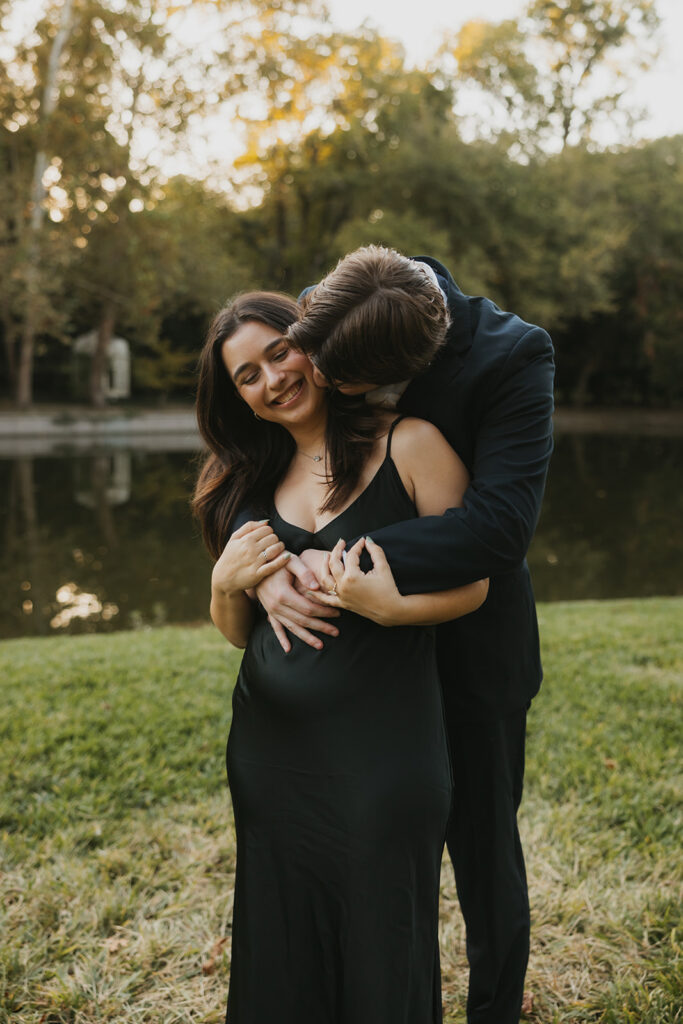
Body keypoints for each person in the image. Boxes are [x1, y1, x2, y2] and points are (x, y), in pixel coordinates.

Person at [252, 247, 555, 1024]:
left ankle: (493, 1010)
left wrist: (336, 556)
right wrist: (265, 557)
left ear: (402, 369)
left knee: (485, 855)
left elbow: (497, 530)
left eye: (336, 376)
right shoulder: (332, 302)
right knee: (371, 847)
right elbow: (272, 447)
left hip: (471, 645)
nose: (311, 377)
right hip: (365, 668)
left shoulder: (513, 356)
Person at [193, 291, 488, 1023]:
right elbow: (235, 632)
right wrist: (226, 582)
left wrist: (389, 608)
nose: (271, 379)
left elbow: (474, 583)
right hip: (269, 752)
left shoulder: (411, 444)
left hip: (384, 746)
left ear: (313, 345)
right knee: (284, 939)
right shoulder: (247, 481)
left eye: (278, 352)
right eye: (246, 376)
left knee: (382, 934)